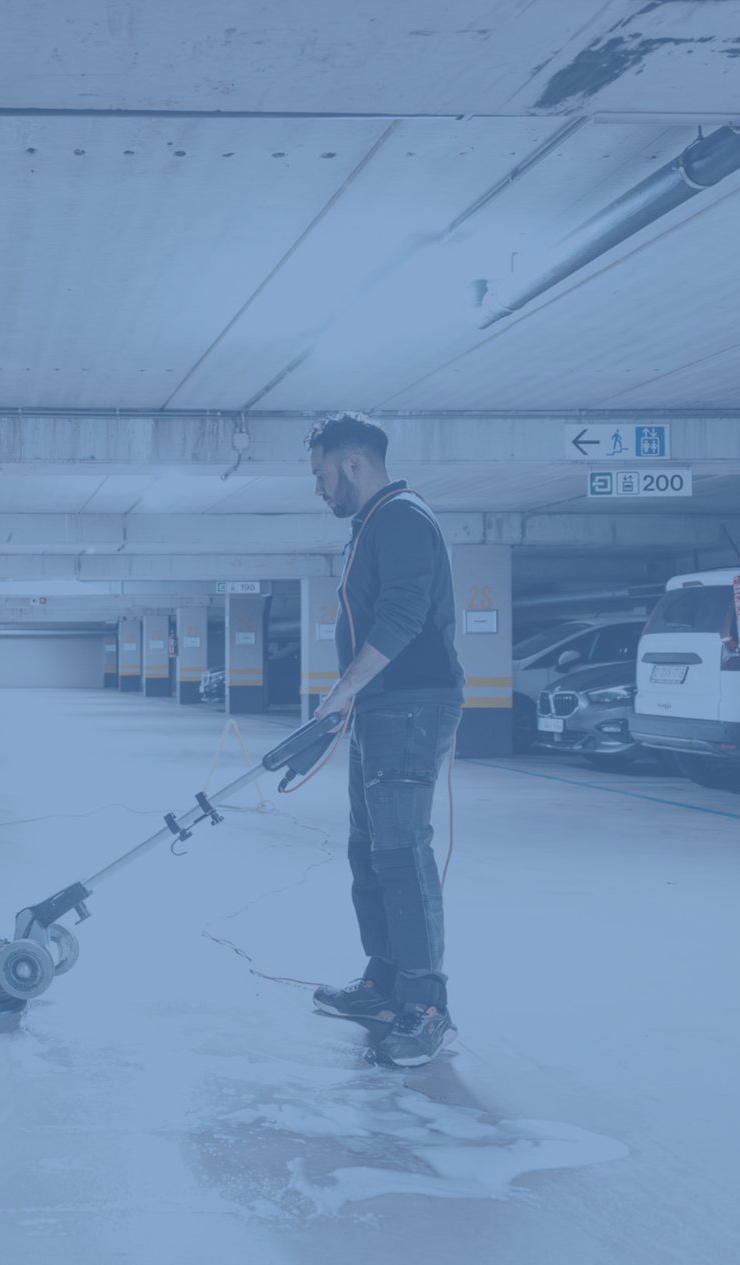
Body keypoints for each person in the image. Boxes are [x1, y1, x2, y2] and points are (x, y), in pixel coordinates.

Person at [305, 413, 464, 1066]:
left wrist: (344, 688)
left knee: (401, 851)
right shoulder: (373, 524)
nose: (318, 489)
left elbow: (403, 614)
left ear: (351, 464)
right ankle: (384, 982)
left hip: (411, 706)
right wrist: (355, 698)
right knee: (369, 849)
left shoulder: (401, 517)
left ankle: (426, 1004)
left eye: (320, 475)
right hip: (383, 706)